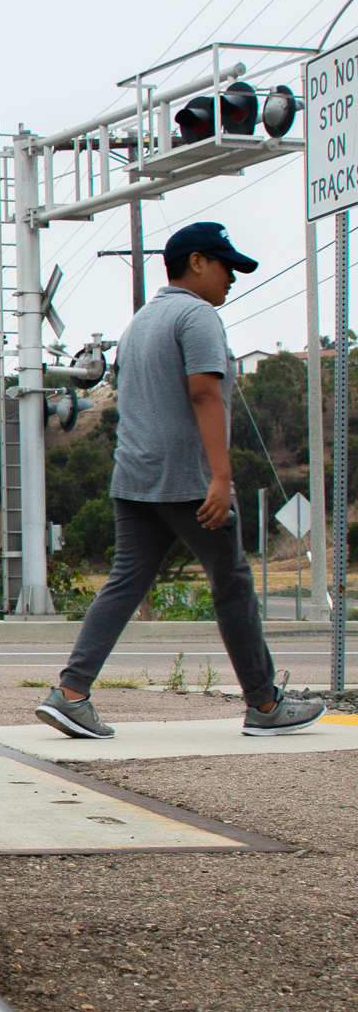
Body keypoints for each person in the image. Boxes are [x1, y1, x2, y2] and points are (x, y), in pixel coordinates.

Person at [34, 221, 324, 739]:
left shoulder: (140, 323)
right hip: (187, 481)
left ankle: (71, 693)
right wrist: (221, 477)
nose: (232, 278)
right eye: (226, 266)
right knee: (233, 584)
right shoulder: (197, 316)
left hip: (134, 476)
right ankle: (263, 706)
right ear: (196, 263)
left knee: (124, 583)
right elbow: (205, 395)